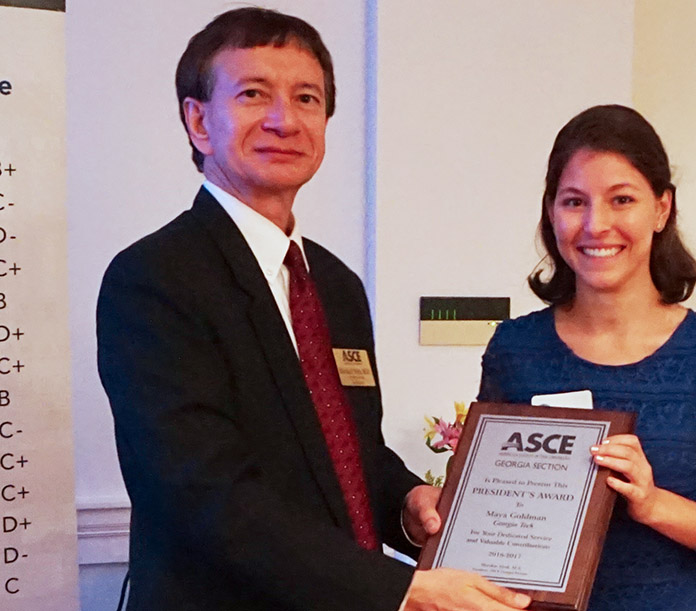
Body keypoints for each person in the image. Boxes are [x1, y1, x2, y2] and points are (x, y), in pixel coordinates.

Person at [96, 8, 531, 611]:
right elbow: (205, 495)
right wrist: (400, 590)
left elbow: (348, 455)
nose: (284, 119)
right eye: (253, 94)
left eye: (307, 98)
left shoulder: (334, 283)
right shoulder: (155, 279)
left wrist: (407, 506)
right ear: (198, 120)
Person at [477, 105, 696, 610]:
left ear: (662, 208)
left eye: (622, 199)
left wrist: (652, 503)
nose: (597, 225)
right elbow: (491, 508)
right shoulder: (514, 349)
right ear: (550, 212)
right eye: (574, 201)